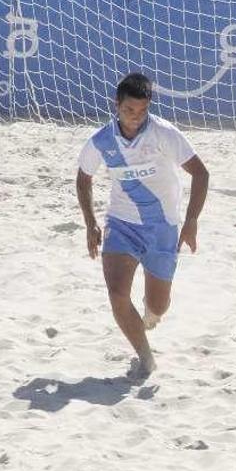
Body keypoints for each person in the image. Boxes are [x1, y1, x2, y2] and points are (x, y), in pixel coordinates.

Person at [76, 72, 209, 378]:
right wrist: (91, 224)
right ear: (116, 105)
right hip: (122, 224)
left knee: (159, 305)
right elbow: (83, 179)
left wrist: (190, 222)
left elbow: (201, 174)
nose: (135, 118)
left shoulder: (164, 134)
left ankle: (151, 314)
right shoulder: (101, 141)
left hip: (163, 227)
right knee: (117, 293)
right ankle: (145, 356)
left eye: (142, 111)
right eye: (128, 111)